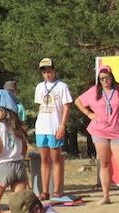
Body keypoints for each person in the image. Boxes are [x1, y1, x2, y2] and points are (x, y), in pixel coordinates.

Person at [74, 65, 119, 206]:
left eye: (107, 77)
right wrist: (89, 114)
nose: (105, 81)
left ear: (112, 77)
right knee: (104, 163)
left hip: (118, 130)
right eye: (101, 79)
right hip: (99, 131)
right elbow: (78, 101)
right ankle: (106, 196)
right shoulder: (94, 91)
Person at [34, 58, 72, 199]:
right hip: (42, 127)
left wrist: (62, 126)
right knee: (44, 160)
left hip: (55, 126)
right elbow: (40, 106)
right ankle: (45, 191)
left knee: (56, 158)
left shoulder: (62, 86)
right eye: (44, 71)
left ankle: (57, 189)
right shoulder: (39, 87)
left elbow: (67, 107)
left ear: (54, 70)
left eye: (49, 71)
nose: (47, 74)